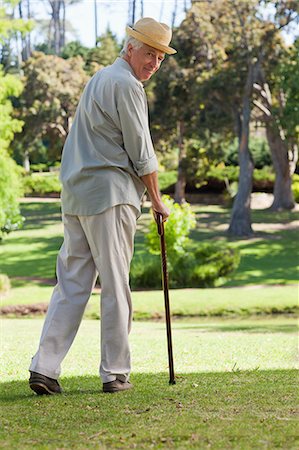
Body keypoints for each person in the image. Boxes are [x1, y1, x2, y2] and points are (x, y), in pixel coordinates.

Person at [29, 17, 177, 395]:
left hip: (77, 196)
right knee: (115, 285)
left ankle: (44, 368)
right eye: (149, 53)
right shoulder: (127, 85)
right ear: (130, 47)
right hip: (110, 197)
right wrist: (158, 201)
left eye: (160, 57)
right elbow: (142, 152)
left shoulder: (99, 79)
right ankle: (115, 373)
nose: (153, 63)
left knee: (72, 283)